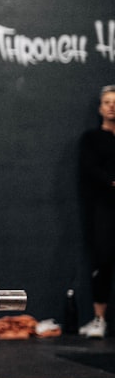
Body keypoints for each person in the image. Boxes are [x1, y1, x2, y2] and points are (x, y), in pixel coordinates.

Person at [77, 85, 115, 339]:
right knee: (103, 261)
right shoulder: (91, 138)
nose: (112, 106)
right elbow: (90, 170)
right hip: (104, 208)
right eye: (107, 102)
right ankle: (99, 319)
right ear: (100, 108)